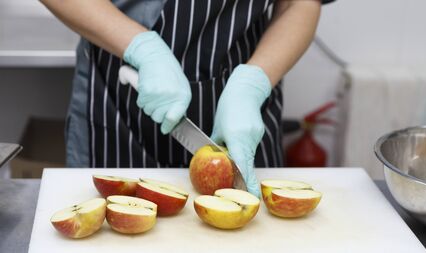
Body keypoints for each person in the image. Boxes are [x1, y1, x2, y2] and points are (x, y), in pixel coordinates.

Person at [41, 0, 333, 197]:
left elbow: (300, 3)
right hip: (121, 96)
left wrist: (254, 83)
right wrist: (141, 48)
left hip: (243, 104)